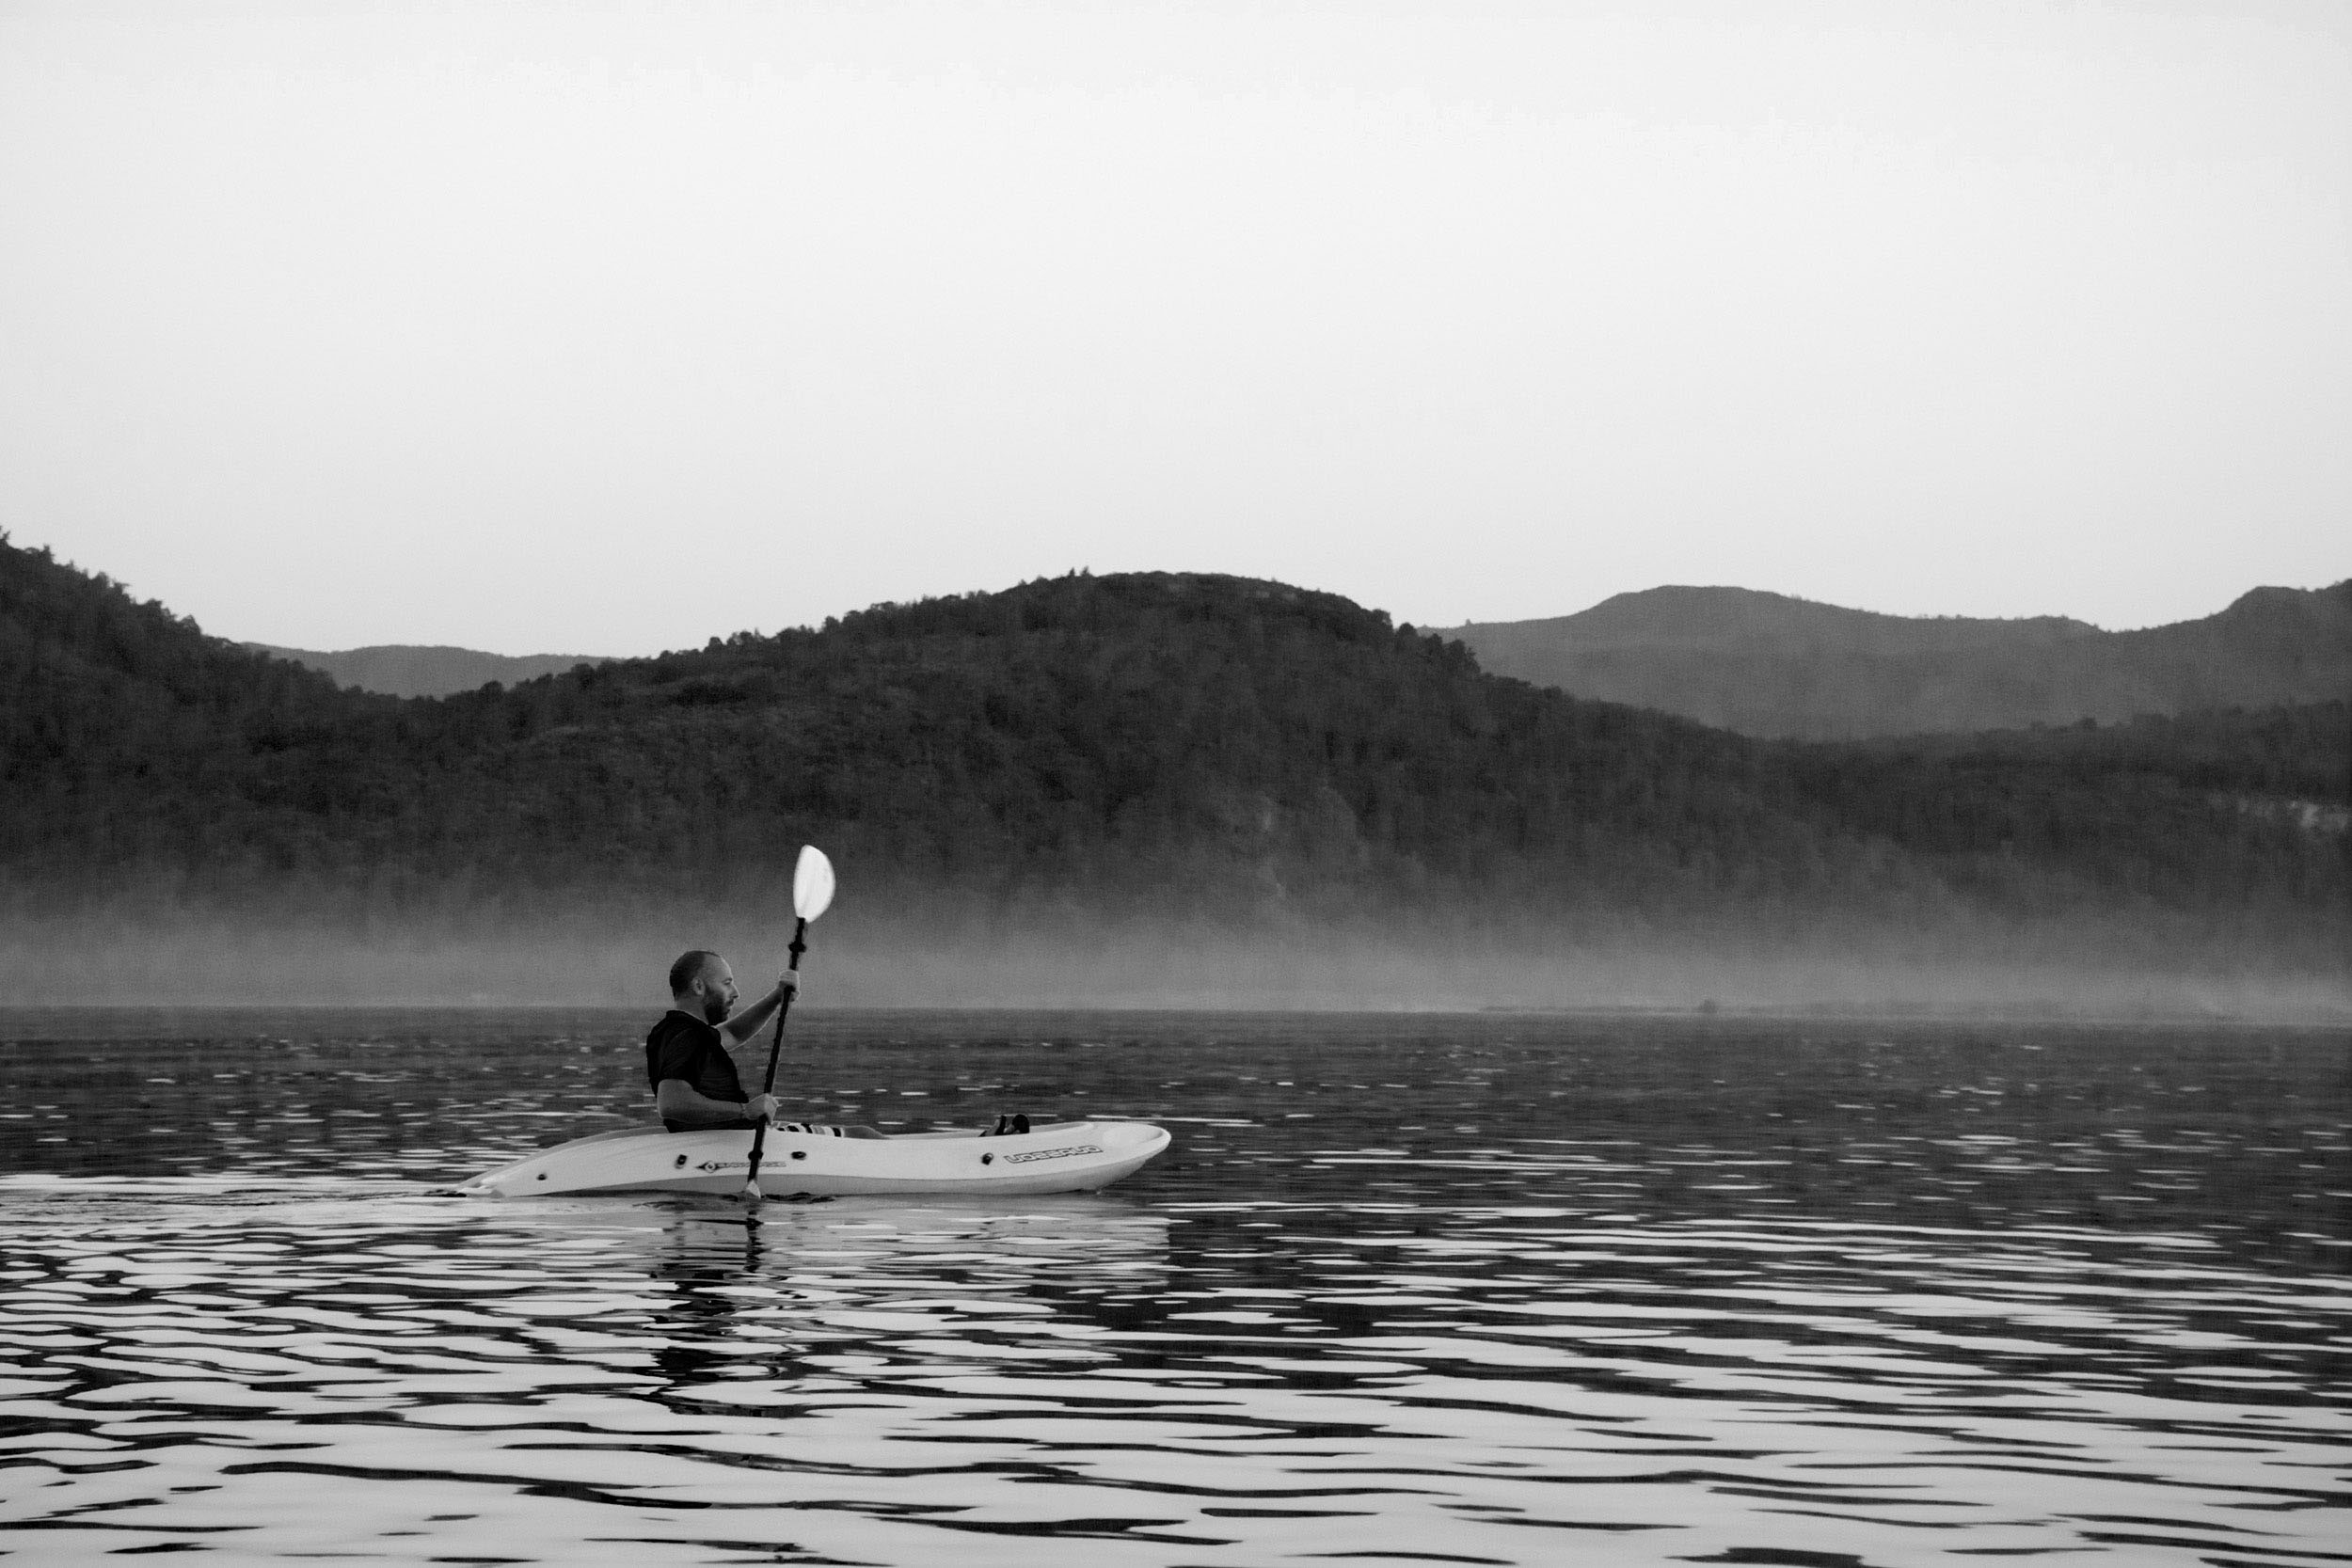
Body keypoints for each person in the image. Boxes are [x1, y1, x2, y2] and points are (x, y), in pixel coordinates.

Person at [645, 949, 891, 1138]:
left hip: (725, 1138)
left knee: (863, 1133)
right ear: (699, 986)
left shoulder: (677, 1032)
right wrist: (745, 1111)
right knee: (862, 1135)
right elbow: (671, 1103)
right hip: (733, 1141)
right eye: (727, 983)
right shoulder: (687, 1035)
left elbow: (733, 1033)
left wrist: (776, 997)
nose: (736, 992)